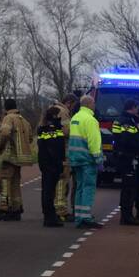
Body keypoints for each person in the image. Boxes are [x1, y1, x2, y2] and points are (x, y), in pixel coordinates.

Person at [0, 98, 34, 221]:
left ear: (6, 108)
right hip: (20, 157)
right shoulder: (24, 120)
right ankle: (17, 209)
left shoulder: (8, 118)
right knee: (15, 183)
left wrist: (1, 146)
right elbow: (30, 138)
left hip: (9, 156)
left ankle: (3, 209)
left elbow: (5, 133)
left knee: (5, 181)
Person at [68, 94, 104, 229]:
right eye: (94, 103)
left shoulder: (75, 118)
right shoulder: (91, 120)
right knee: (88, 188)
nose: (95, 106)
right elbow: (94, 141)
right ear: (90, 104)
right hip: (87, 159)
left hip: (75, 158)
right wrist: (98, 159)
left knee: (79, 188)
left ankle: (79, 216)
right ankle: (86, 217)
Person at [112, 99, 139, 225]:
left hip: (131, 157)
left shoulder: (131, 120)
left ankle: (134, 214)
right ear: (133, 107)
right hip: (128, 158)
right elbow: (128, 140)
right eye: (137, 108)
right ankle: (126, 216)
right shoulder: (126, 121)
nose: (138, 110)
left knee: (135, 186)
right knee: (128, 188)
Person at [49, 94, 78, 222]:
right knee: (62, 181)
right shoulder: (64, 112)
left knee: (53, 181)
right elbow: (67, 131)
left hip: (51, 151)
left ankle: (54, 208)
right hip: (63, 152)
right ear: (69, 103)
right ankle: (61, 210)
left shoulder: (51, 110)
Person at [37, 106, 66, 227]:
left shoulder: (43, 128)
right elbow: (57, 148)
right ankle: (50, 218)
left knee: (46, 190)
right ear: (55, 116)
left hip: (45, 164)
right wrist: (59, 164)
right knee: (49, 191)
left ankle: (48, 215)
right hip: (52, 165)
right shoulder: (54, 129)